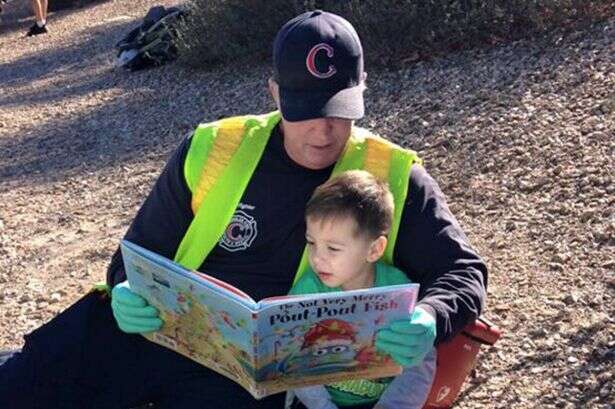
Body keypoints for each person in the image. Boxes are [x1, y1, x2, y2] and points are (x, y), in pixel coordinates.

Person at [0, 10, 487, 409]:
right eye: (304, 107)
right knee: (26, 384)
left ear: (362, 89)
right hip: (164, 334)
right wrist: (125, 288)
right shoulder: (212, 146)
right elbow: (136, 254)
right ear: (275, 93)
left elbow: (462, 271)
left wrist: (430, 317)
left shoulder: (393, 173)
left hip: (267, 382)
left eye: (338, 109)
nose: (322, 130)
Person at [289, 170, 436, 409]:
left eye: (333, 248)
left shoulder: (397, 293)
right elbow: (294, 364)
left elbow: (418, 362)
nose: (317, 258)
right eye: (311, 242)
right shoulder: (306, 292)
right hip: (318, 403)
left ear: (374, 250)